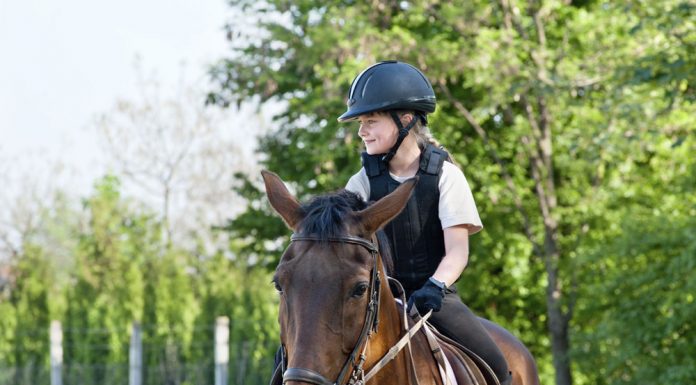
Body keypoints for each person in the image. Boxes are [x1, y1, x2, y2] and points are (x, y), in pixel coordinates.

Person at [340, 60, 512, 385]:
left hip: (435, 298)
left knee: (497, 365)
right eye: (360, 122)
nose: (362, 130)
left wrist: (434, 287)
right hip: (378, 298)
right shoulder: (361, 182)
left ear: (405, 119)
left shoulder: (446, 176)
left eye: (371, 121)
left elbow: (457, 252)